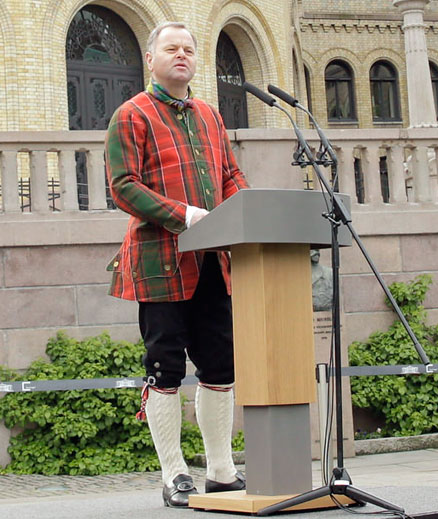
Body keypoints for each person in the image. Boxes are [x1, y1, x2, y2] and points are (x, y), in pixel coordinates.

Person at [105, 21, 249, 508]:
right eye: (171, 48)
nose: (182, 55)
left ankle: (222, 471)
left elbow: (229, 174)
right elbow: (123, 184)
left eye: (189, 49)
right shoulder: (131, 115)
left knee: (220, 365)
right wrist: (183, 215)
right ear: (151, 59)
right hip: (158, 262)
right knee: (164, 367)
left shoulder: (210, 115)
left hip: (214, 263)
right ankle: (174, 475)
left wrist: (245, 216)